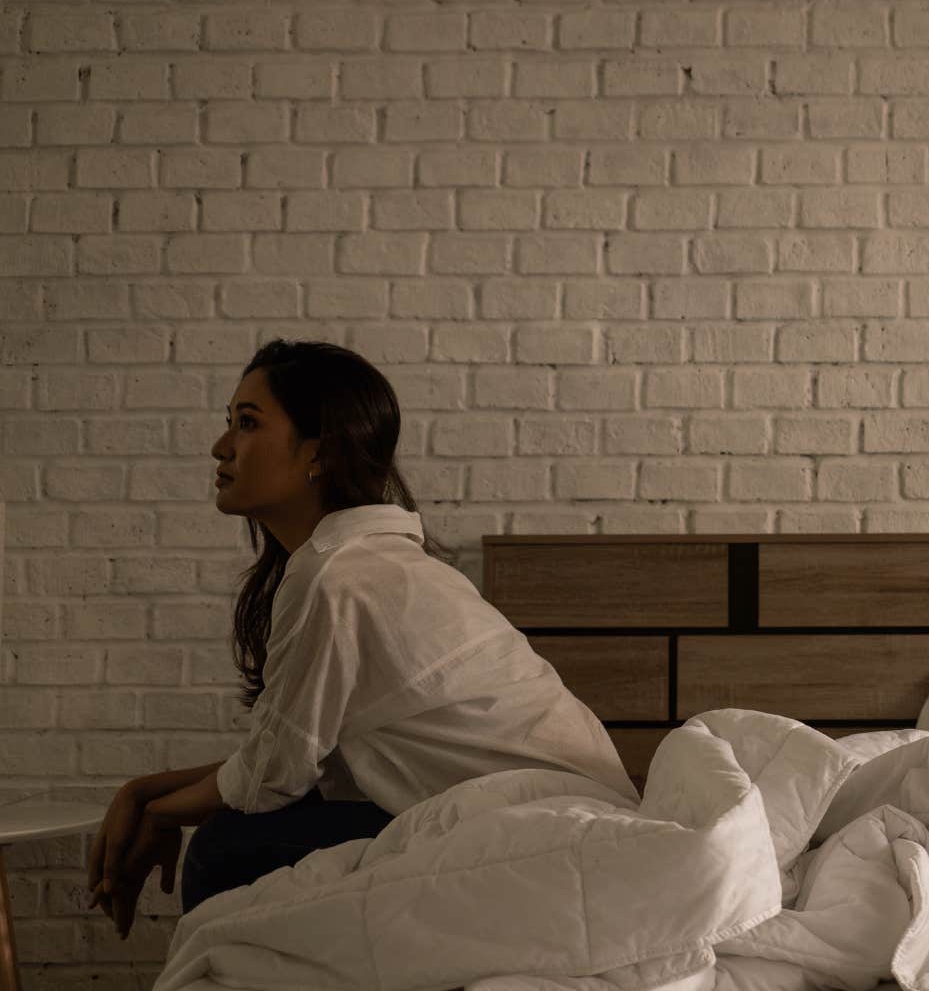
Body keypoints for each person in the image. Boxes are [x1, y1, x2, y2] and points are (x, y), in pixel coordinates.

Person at [86, 340, 638, 938]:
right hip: (553, 809)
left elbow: (273, 773)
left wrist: (158, 813)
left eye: (247, 424)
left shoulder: (336, 575)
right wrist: (144, 793)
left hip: (542, 827)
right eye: (229, 424)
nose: (221, 447)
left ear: (318, 452)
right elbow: (290, 751)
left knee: (228, 849)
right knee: (250, 834)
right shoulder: (361, 562)